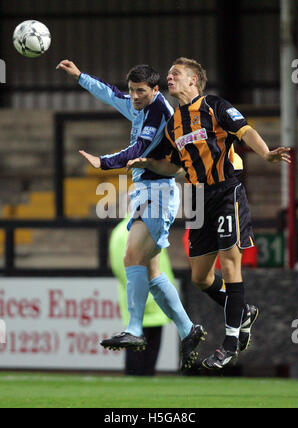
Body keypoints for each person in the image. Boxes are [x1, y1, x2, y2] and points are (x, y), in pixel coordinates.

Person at [127, 57, 291, 370]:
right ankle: (242, 312)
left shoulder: (214, 106)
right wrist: (148, 164)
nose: (170, 77)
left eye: (177, 73)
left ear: (193, 81)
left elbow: (244, 131)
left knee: (231, 263)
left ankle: (230, 342)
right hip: (200, 200)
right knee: (201, 277)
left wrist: (267, 152)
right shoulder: (175, 121)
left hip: (227, 191)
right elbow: (173, 165)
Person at [56, 60, 206, 370]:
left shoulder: (157, 113)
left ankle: (135, 330)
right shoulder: (139, 103)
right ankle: (188, 329)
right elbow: (112, 95)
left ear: (154, 90)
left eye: (141, 91)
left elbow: (138, 149)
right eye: (133, 91)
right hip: (146, 192)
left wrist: (103, 162)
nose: (135, 97)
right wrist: (80, 76)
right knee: (151, 274)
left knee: (131, 258)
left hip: (159, 193)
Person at [109, 215, 175, 376]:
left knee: (138, 358)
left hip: (144, 301)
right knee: (144, 361)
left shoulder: (124, 230)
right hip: (150, 301)